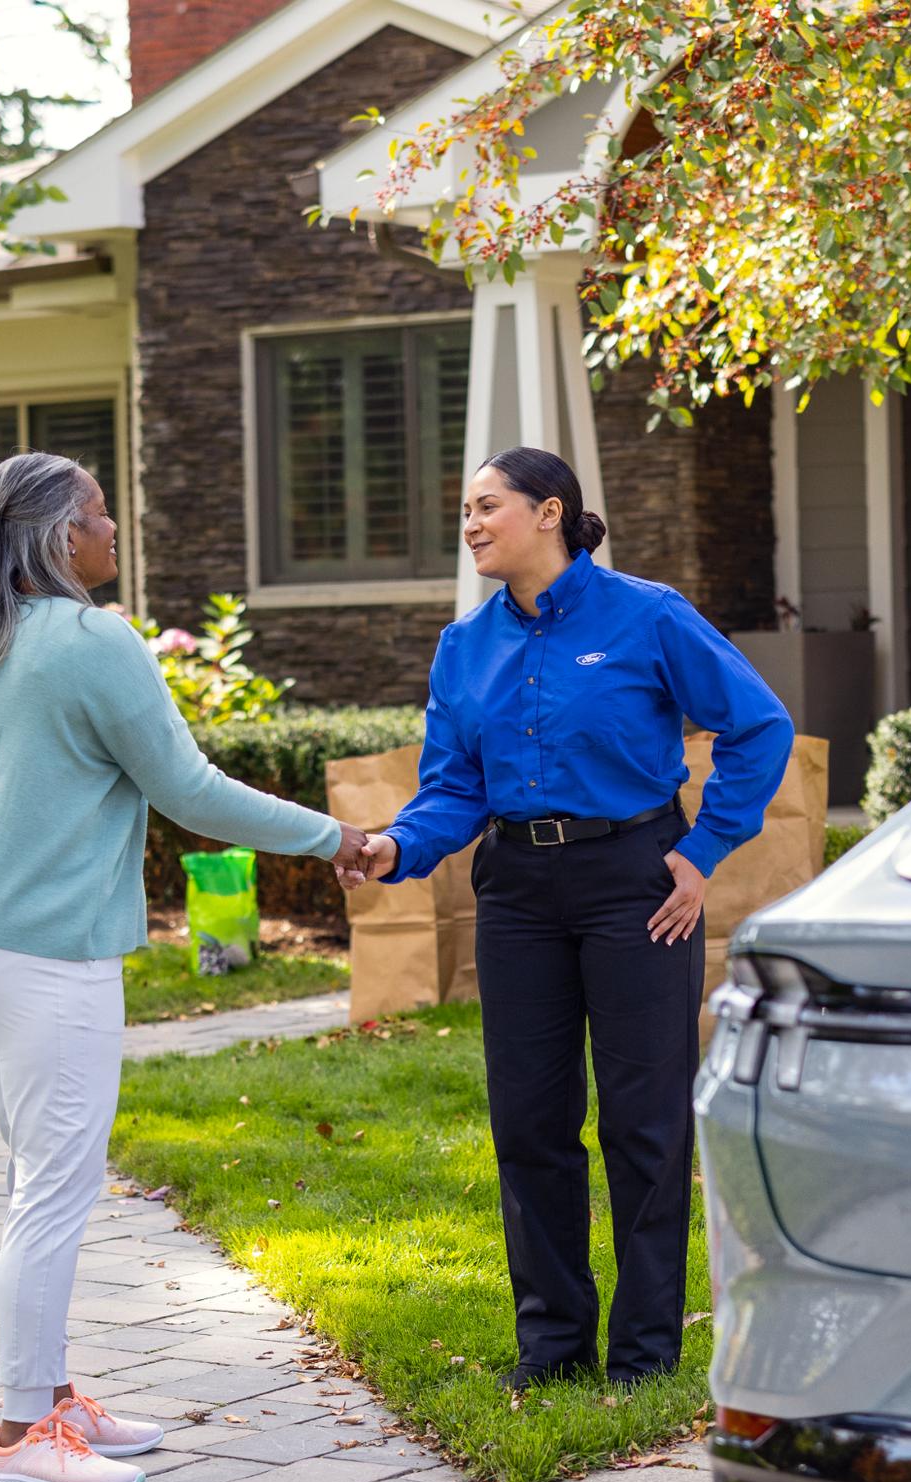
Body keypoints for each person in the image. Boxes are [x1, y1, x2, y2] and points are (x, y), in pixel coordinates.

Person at [0, 451, 369, 1482]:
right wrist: (333, 836)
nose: (116, 531)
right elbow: (190, 791)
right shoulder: (89, 640)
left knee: (38, 1179)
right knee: (54, 1191)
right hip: (46, 952)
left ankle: (55, 1397)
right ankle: (23, 1438)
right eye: (102, 515)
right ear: (60, 539)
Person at [338, 447, 793, 1390]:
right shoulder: (465, 645)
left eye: (486, 507)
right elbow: (454, 786)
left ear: (550, 513)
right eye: (463, 509)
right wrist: (396, 847)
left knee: (645, 1122)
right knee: (531, 1121)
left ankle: (644, 1352)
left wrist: (700, 853)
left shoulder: (649, 614)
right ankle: (552, 1347)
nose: (469, 525)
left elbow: (758, 727)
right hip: (517, 892)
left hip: (637, 883)